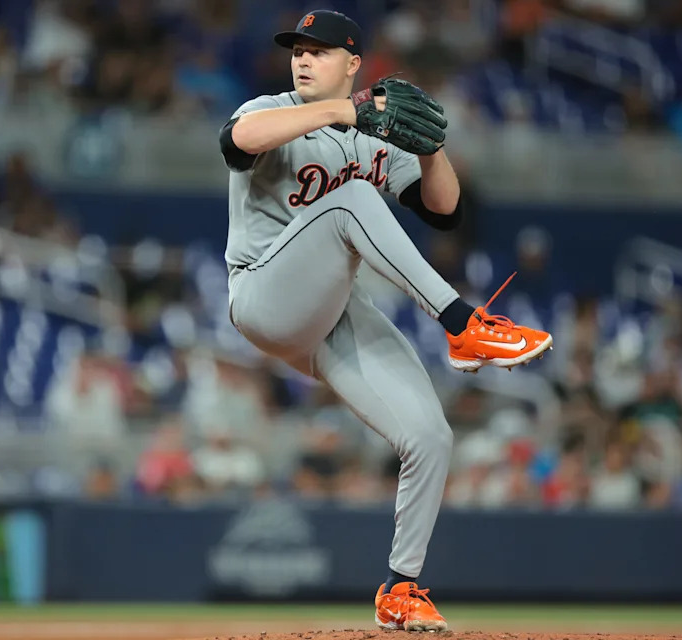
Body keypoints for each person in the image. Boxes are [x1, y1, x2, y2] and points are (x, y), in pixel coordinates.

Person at [218, 10, 553, 632]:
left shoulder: (372, 136)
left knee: (430, 436)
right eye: (298, 48)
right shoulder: (274, 107)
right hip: (263, 294)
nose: (303, 58)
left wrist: (431, 149)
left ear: (354, 66)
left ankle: (401, 589)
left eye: (320, 51)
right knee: (351, 198)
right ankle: (463, 324)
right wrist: (340, 112)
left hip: (328, 314)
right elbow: (236, 142)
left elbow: (445, 211)